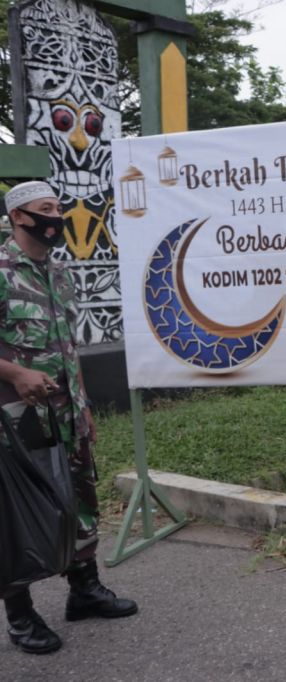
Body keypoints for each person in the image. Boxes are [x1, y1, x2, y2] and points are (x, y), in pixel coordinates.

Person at [0, 181, 137, 655]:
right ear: (19, 216)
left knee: (81, 497)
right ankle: (19, 615)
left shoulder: (58, 271)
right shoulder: (0, 269)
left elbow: (68, 344)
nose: (56, 216)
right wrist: (16, 372)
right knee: (19, 514)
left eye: (58, 207)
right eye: (45, 209)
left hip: (67, 414)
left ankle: (85, 590)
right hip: (17, 421)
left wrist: (85, 405)